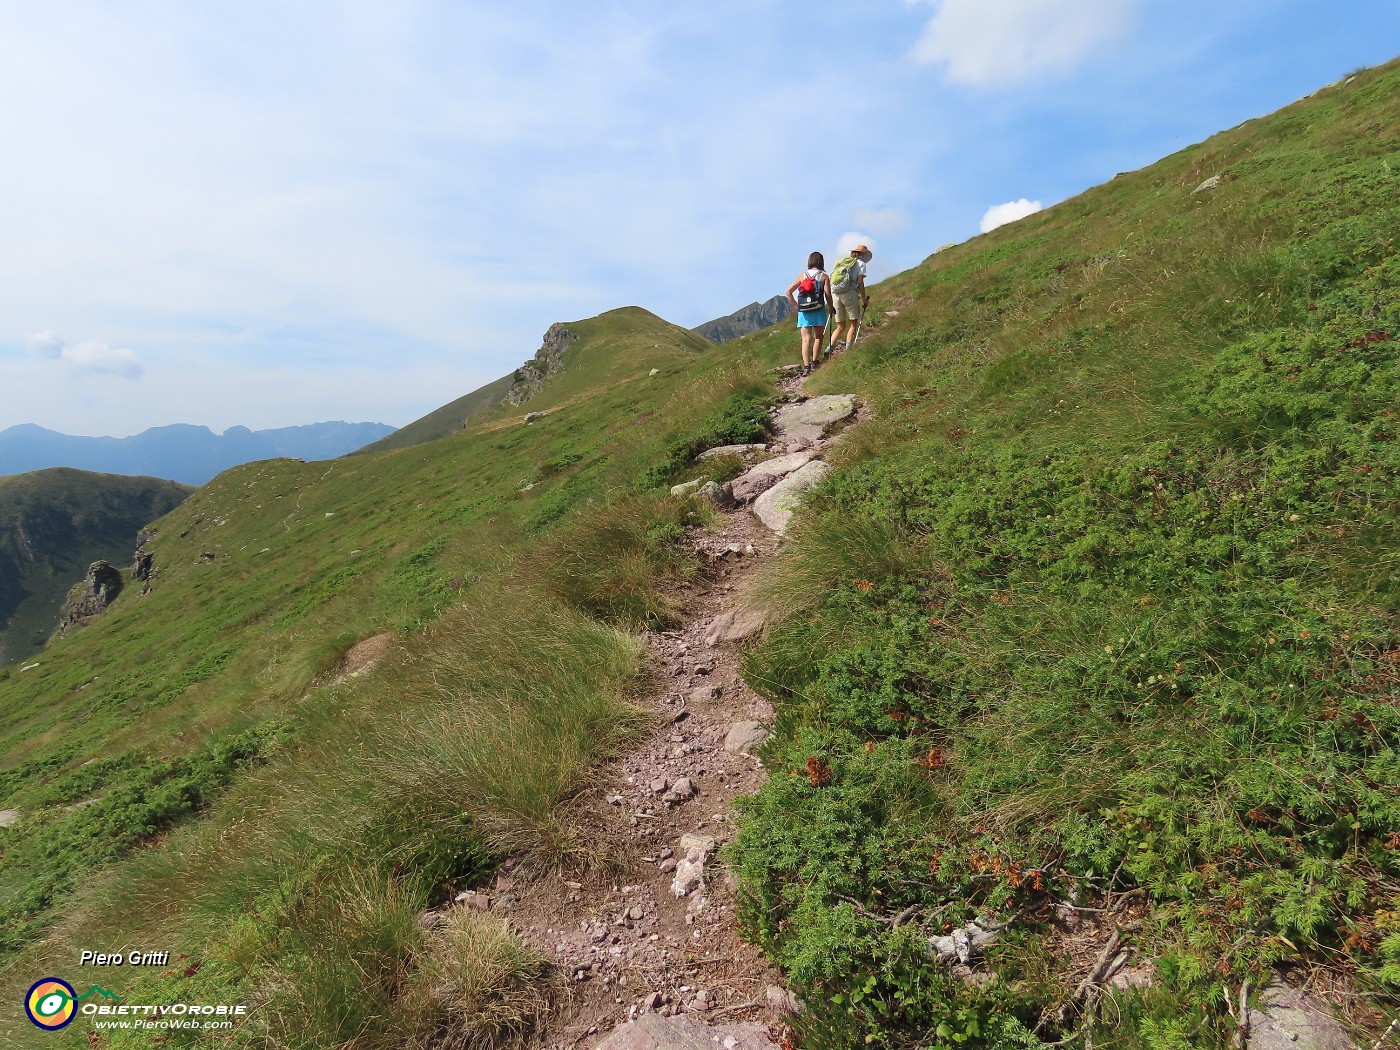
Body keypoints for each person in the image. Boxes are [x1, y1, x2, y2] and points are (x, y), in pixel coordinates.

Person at [786, 251, 832, 376]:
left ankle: (806, 367)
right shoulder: (824, 276)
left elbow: (788, 291)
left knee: (806, 339)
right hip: (818, 310)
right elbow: (828, 295)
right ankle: (815, 362)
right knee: (818, 337)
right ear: (821, 261)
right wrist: (831, 307)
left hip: (804, 312)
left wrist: (796, 306)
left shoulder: (803, 275)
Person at [828, 244, 871, 357]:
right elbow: (860, 282)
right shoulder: (861, 264)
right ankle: (848, 350)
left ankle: (829, 349)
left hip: (836, 295)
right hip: (850, 294)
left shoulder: (843, 262)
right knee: (853, 323)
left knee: (840, 326)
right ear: (863, 255)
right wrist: (863, 298)